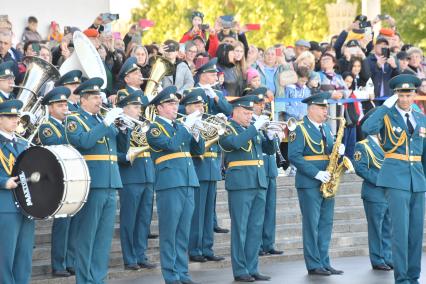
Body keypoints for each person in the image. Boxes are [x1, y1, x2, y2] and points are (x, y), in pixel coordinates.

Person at [362, 74, 425, 284]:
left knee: (416, 233)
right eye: (400, 95)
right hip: (395, 178)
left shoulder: (421, 118)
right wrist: (385, 107)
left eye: (408, 95)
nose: (405, 99)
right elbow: (366, 128)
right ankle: (402, 278)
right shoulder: (387, 115)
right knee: (400, 232)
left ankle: (413, 277)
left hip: (417, 179)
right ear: (395, 95)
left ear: (414, 95)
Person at [65, 77, 126, 283]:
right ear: (83, 100)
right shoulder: (75, 119)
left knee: (103, 239)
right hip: (92, 183)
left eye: (100, 96)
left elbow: (121, 149)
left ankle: (98, 279)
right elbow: (84, 141)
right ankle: (84, 280)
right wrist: (107, 122)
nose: (99, 101)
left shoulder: (103, 120)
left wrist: (124, 128)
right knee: (87, 236)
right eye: (94, 98)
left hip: (111, 182)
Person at [146, 86, 205, 284]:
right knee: (169, 233)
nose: (174, 107)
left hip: (188, 180)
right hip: (170, 184)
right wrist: (187, 128)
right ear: (159, 108)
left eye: (175, 103)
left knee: (183, 233)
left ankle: (183, 273)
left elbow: (198, 150)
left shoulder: (179, 126)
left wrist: (196, 133)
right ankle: (171, 275)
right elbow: (171, 145)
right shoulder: (154, 128)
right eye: (170, 104)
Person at [218, 95, 277, 282]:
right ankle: (240, 269)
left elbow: (268, 150)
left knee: (255, 228)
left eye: (251, 113)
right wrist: (254, 128)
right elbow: (234, 144)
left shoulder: (252, 129)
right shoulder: (227, 128)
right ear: (235, 112)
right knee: (240, 228)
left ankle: (253, 267)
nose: (249, 116)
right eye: (245, 113)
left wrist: (269, 137)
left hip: (258, 181)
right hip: (241, 183)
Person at [288, 92, 345, 276]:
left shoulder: (327, 128)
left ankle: (324, 261)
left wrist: (339, 152)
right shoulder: (300, 128)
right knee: (312, 224)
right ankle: (313, 264)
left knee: (326, 223)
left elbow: (330, 152)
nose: (325, 111)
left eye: (326, 107)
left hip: (328, 180)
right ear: (311, 108)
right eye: (322, 108)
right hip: (309, 182)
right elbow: (294, 156)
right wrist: (316, 173)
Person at [181, 88, 225, 263]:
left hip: (211, 169)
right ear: (188, 107)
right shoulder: (185, 123)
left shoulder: (208, 121)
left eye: (202, 104)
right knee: (197, 214)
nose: (201, 107)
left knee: (208, 213)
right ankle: (195, 249)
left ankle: (207, 247)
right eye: (196, 104)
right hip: (198, 168)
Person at [116, 90, 156, 271]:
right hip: (130, 176)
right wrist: (124, 131)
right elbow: (115, 153)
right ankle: (129, 257)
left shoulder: (142, 125)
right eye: (134, 106)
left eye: (139, 106)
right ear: (124, 109)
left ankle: (141, 254)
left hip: (147, 175)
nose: (139, 110)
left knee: (144, 219)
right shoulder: (118, 126)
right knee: (129, 219)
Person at [37, 87, 74, 277]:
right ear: (50, 108)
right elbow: (58, 145)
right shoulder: (46, 126)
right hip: (58, 177)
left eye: (65, 104)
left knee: (73, 223)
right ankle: (59, 264)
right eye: (60, 105)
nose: (64, 108)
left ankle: (70, 260)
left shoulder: (69, 124)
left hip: (73, 176)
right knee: (62, 224)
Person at [353, 110, 393, 271]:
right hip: (374, 192)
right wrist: (380, 180)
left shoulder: (388, 143)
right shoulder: (362, 145)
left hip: (389, 192)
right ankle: (377, 259)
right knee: (376, 227)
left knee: (388, 227)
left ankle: (388, 257)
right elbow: (360, 168)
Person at [0, 99, 33, 284]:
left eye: (16, 117)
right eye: (10, 117)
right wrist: (4, 182)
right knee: (4, 258)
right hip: (4, 205)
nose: (15, 120)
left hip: (25, 206)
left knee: (24, 256)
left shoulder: (22, 143)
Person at [249, 88, 284, 257]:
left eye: (262, 104)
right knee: (259, 209)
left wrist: (275, 137)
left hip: (270, 168)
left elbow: (271, 147)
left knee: (270, 208)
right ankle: (258, 244)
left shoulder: (267, 120)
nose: (261, 107)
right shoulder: (250, 123)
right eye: (258, 104)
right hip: (259, 168)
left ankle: (269, 243)